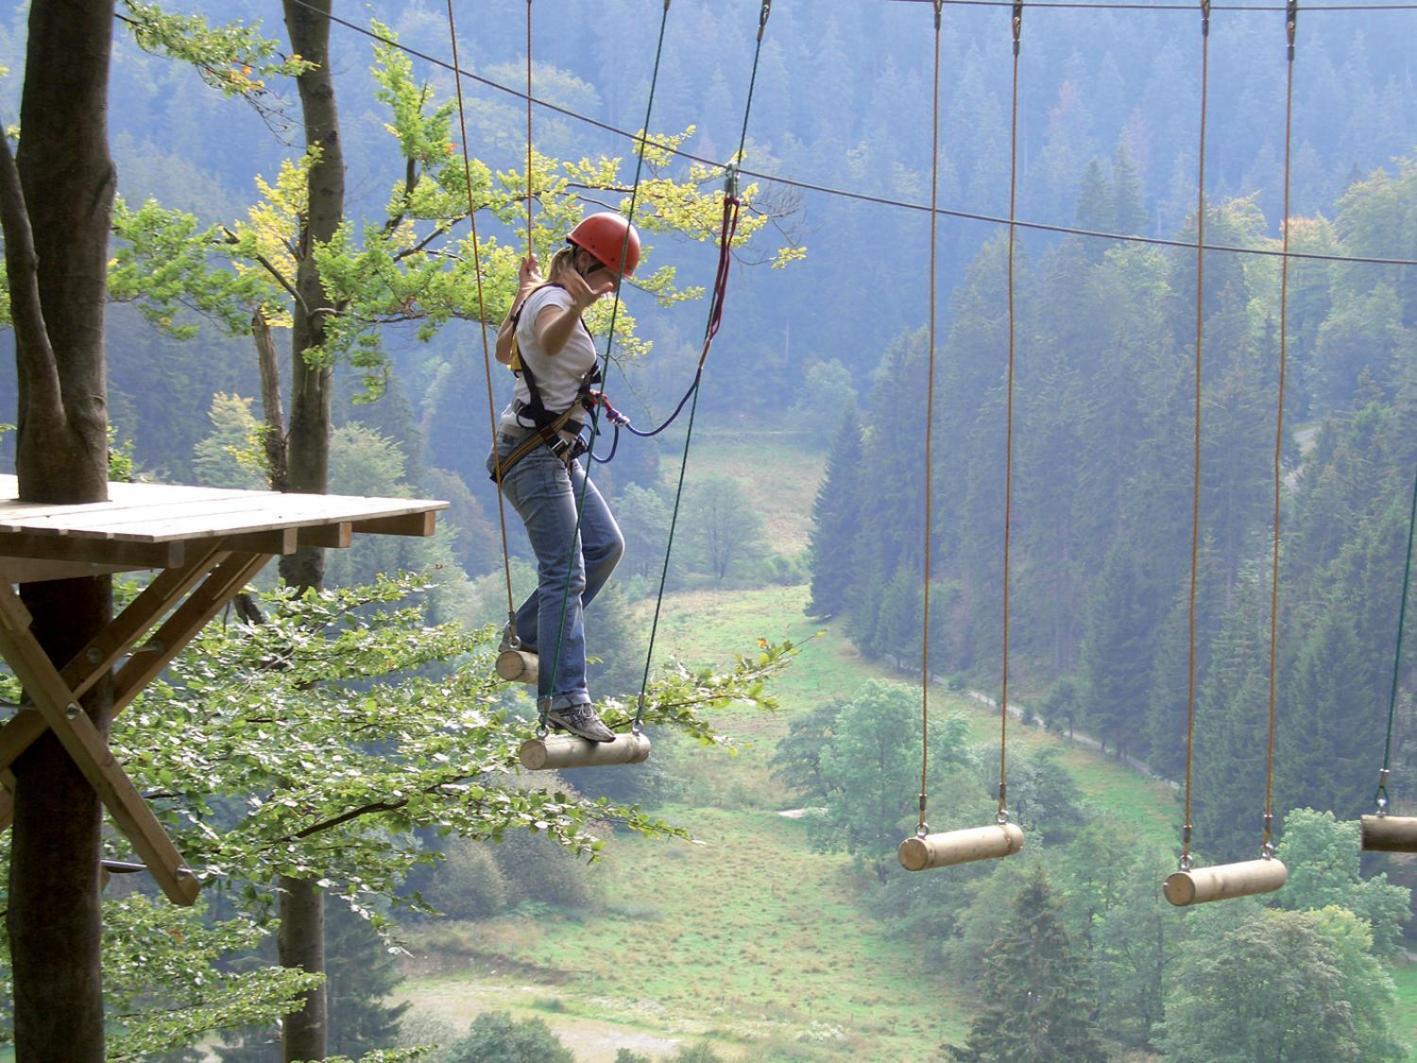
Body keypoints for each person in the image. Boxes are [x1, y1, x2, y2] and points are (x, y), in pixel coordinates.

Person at [486, 212, 641, 743]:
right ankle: (565, 700)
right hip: (533, 457)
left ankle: (528, 631)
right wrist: (574, 303)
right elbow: (548, 344)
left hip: (548, 451)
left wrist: (526, 292)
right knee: (566, 572)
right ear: (585, 261)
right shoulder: (557, 302)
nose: (612, 287)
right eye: (610, 276)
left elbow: (507, 352)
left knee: (604, 547)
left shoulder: (541, 293)